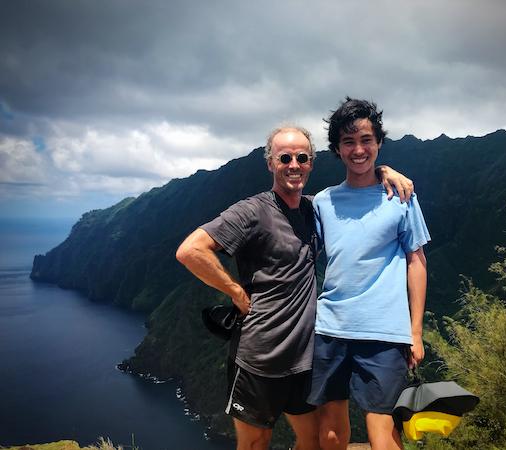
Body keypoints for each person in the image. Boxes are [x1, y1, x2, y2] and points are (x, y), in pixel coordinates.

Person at [176, 125, 413, 450]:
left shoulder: (314, 209)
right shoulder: (253, 211)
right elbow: (191, 250)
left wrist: (383, 171)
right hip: (258, 358)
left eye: (302, 157)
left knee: (313, 440)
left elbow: (355, 190)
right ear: (271, 163)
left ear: (311, 163)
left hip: (304, 359)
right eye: (284, 157)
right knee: (255, 444)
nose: (294, 164)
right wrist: (235, 291)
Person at [307, 98, 430, 450]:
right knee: (329, 426)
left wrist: (415, 332)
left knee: (383, 432)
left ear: (378, 143)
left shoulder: (402, 196)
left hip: (384, 332)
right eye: (349, 141)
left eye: (366, 140)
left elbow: (416, 262)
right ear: (336, 149)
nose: (358, 149)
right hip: (330, 326)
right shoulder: (323, 202)